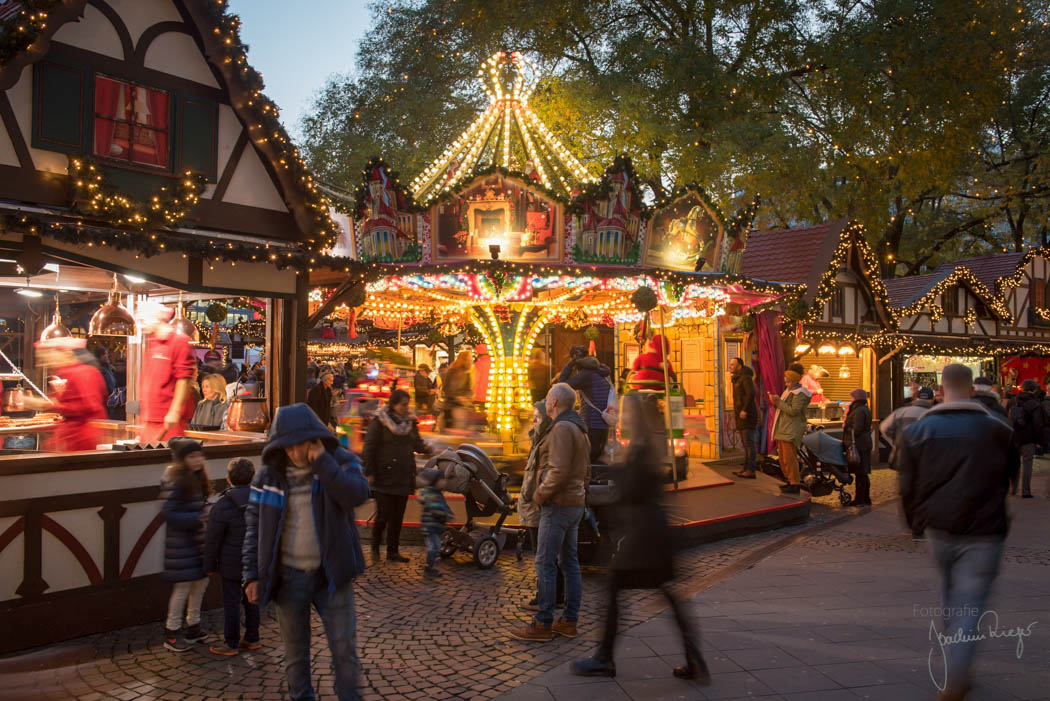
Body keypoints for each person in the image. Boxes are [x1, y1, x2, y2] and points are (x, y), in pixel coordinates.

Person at [571, 394, 711, 682]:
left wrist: (616, 470)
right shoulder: (648, 442)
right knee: (666, 594)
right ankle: (693, 657)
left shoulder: (641, 447)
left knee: (615, 589)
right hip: (652, 532)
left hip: (643, 535)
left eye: (624, 413)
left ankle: (604, 658)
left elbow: (633, 489)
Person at [897, 364, 1015, 701]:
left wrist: (913, 521)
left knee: (951, 593)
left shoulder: (919, 430)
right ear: (973, 390)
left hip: (939, 526)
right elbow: (1008, 475)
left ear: (940, 390)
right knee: (970, 603)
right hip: (984, 528)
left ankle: (956, 662)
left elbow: (908, 484)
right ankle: (957, 672)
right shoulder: (997, 429)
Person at [243, 403, 371, 701]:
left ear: (312, 440)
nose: (291, 453)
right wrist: (252, 575)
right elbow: (253, 526)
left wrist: (323, 463)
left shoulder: (340, 461)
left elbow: (357, 494)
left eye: (296, 446)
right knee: (295, 657)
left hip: (332, 575)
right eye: (284, 447)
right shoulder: (269, 476)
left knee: (345, 653)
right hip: (287, 579)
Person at [510, 383, 589, 642]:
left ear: (554, 403)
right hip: (574, 502)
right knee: (570, 562)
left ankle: (543, 623)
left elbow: (558, 471)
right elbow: (584, 471)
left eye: (547, 398)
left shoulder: (561, 429)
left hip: (557, 505)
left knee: (545, 562)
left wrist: (539, 495)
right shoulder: (579, 428)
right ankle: (568, 619)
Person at [362, 389, 437, 562]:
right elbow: (369, 448)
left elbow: (417, 443)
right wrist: (370, 471)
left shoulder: (410, 422)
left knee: (398, 515)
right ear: (393, 404)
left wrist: (427, 449)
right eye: (403, 404)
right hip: (384, 475)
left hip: (403, 474)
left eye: (407, 404)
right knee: (384, 514)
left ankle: (392, 551)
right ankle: (375, 544)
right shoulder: (380, 422)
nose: (406, 407)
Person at [204, 457, 260, 656]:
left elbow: (213, 539)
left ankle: (231, 643)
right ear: (253, 477)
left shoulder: (222, 505)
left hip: (230, 562)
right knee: (252, 599)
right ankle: (252, 637)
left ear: (228, 479)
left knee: (231, 602)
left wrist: (209, 565)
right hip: (254, 560)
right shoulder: (260, 499)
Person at [161, 438, 211, 653]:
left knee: (200, 585)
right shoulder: (177, 481)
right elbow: (169, 512)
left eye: (199, 455)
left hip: (197, 543)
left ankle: (193, 625)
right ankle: (171, 632)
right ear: (182, 460)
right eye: (192, 456)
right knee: (182, 589)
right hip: (182, 545)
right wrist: (198, 517)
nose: (198, 459)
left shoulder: (196, 478)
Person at [518, 402, 564, 610]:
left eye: (537, 417)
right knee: (545, 554)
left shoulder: (546, 441)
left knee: (544, 555)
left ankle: (547, 597)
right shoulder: (538, 439)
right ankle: (553, 595)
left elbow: (543, 474)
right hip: (533, 503)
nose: (534, 421)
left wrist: (534, 496)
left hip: (538, 505)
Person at [25, 337, 107, 452]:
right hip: (70, 438)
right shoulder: (65, 373)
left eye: (47, 357)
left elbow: (89, 406)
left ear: (63, 354)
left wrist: (50, 405)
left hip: (81, 439)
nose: (46, 363)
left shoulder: (81, 373)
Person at [139, 303, 197, 443]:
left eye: (143, 318)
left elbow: (184, 378)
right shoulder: (152, 343)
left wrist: (174, 411)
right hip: (150, 419)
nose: (141, 323)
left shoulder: (180, 341)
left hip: (167, 420)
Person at [558, 345, 613, 464]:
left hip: (592, 421)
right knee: (596, 458)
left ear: (574, 359)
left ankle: (588, 482)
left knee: (588, 460)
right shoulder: (600, 370)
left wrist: (569, 365)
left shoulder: (586, 375)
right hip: (603, 421)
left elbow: (560, 387)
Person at [769, 362, 811, 494]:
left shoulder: (800, 394)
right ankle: (789, 480)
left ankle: (795, 483)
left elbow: (793, 411)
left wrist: (778, 402)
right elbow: (784, 409)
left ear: (793, 380)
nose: (786, 384)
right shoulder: (789, 392)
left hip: (791, 429)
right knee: (782, 458)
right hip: (784, 428)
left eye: (787, 382)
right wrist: (776, 402)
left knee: (789, 458)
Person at [1008, 378, 1045, 498]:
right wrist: (1040, 441)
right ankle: (1026, 490)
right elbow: (1038, 424)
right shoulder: (1035, 404)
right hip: (1029, 438)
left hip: (1014, 436)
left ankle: (1013, 488)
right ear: (1033, 389)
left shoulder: (1013, 401)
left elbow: (1007, 417)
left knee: (1014, 463)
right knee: (1027, 464)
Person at [880, 387, 933, 466]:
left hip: (903, 455)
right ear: (932, 399)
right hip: (926, 456)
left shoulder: (901, 412)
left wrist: (897, 438)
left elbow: (884, 427)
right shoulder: (934, 414)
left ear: (917, 398)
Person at [418, 468, 453, 577]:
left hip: (435, 527)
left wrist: (449, 513)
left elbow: (444, 506)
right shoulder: (431, 495)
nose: (444, 482)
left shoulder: (438, 494)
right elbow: (436, 508)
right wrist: (446, 515)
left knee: (436, 547)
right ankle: (429, 568)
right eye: (441, 480)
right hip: (430, 527)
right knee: (434, 547)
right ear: (435, 482)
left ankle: (430, 564)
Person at [842, 388, 873, 506]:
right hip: (863, 444)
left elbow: (857, 429)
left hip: (859, 445)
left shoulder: (859, 411)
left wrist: (846, 427)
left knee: (860, 472)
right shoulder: (864, 409)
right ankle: (865, 498)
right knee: (863, 472)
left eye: (852, 397)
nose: (850, 399)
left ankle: (860, 499)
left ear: (856, 398)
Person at [729, 357, 758, 478]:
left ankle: (750, 470)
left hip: (747, 415)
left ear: (739, 366)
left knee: (748, 443)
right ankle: (745, 467)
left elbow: (750, 393)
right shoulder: (737, 379)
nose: (730, 366)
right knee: (745, 443)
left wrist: (744, 409)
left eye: (732, 364)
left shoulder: (745, 378)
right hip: (740, 414)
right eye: (730, 364)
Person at [441, 350, 474, 430]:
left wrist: (466, 398)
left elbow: (469, 389)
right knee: (454, 430)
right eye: (469, 358)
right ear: (464, 359)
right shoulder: (451, 371)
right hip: (451, 406)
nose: (471, 360)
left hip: (461, 406)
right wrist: (456, 397)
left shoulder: (467, 373)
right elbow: (445, 389)